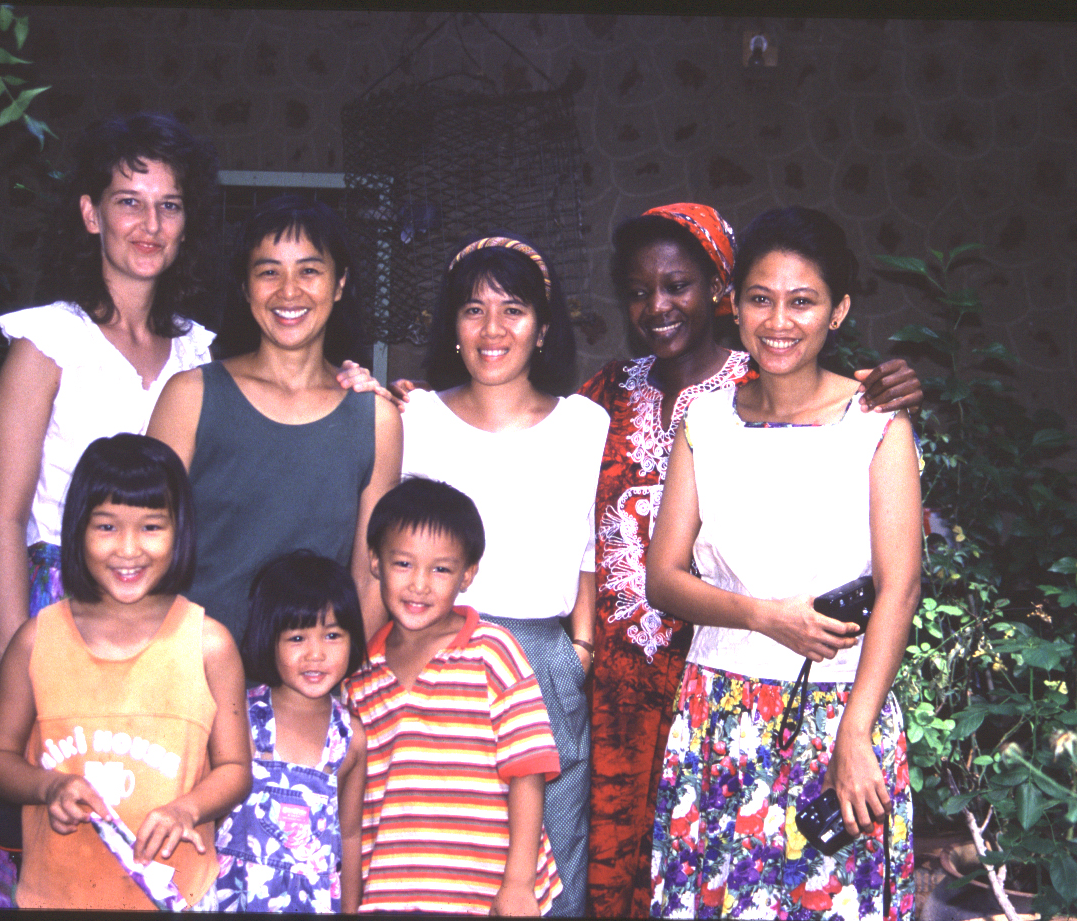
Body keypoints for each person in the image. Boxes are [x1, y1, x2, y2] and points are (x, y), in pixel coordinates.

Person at [581, 203, 923, 917]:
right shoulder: (707, 420)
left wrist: (856, 732)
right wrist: (765, 616)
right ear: (734, 305)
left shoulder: (877, 423)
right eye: (761, 299)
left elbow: (900, 586)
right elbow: (664, 578)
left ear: (839, 311)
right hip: (718, 716)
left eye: (804, 302)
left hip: (837, 713)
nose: (779, 321)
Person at [0, 112, 221, 908]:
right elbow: (3, 519)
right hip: (54, 607)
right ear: (91, 213)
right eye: (129, 201)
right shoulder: (48, 342)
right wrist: (16, 656)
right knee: (42, 838)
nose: (149, 224)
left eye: (169, 204)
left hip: (159, 617)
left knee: (144, 835)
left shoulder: (201, 351)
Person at [395, 232, 607, 916]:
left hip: (544, 658)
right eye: (473, 310)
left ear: (543, 328)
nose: (493, 329)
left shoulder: (585, 425)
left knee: (549, 865)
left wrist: (578, 648)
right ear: (451, 327)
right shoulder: (412, 418)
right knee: (438, 859)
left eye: (513, 309)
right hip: (436, 657)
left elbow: (589, 551)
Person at [0, 434, 250, 910]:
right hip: (55, 895)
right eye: (106, 526)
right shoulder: (36, 641)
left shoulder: (210, 644)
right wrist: (49, 786)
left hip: (180, 898)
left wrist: (188, 807)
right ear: (77, 529)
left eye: (150, 527)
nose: (128, 549)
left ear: (180, 530)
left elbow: (235, 769)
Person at [148, 194, 402, 641]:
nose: (289, 291)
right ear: (245, 288)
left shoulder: (376, 419)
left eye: (309, 270)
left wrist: (332, 677)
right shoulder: (191, 397)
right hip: (189, 673)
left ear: (340, 284)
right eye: (269, 272)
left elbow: (370, 579)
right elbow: (146, 546)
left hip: (307, 688)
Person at [346, 477, 563, 915]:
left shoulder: (491, 651)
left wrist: (519, 882)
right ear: (374, 562)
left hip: (484, 892)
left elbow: (528, 770)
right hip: (389, 892)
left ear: (467, 575)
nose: (420, 585)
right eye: (403, 564)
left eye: (441, 569)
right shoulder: (357, 676)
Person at [214, 550, 367, 913]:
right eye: (297, 638)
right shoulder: (242, 718)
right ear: (270, 639)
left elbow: (349, 835)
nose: (315, 654)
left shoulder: (350, 738)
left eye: (332, 635)